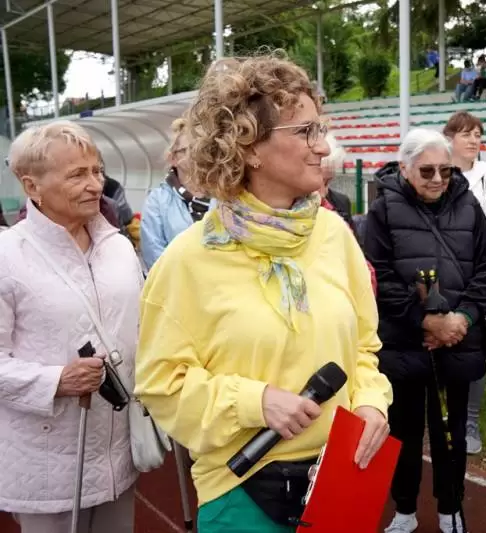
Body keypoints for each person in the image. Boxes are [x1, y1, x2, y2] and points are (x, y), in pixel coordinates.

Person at [134, 53, 392, 533]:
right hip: (241, 490)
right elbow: (161, 385)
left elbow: (363, 347)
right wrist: (255, 402)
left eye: (321, 129)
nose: (323, 146)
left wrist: (371, 402)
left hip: (339, 477)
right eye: (306, 132)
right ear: (249, 146)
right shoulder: (188, 259)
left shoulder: (335, 236)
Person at [0, 121, 142, 532]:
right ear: (32, 186)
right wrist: (55, 380)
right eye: (77, 174)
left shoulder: (118, 247)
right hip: (46, 464)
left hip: (119, 454)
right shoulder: (7, 255)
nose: (95, 185)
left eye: (97, 171)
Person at [365, 128, 486, 533]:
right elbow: (378, 275)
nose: (438, 179)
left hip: (457, 341)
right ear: (405, 168)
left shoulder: (468, 204)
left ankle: (451, 508)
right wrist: (425, 320)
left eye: (446, 170)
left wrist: (462, 320)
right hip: (404, 343)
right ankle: (404, 509)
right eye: (427, 171)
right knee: (402, 432)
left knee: (451, 433)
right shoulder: (382, 210)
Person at [443, 111, 486, 455]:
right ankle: (447, 409)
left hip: (481, 272)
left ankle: (470, 419)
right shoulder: (440, 173)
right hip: (445, 273)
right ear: (450, 138)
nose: (473, 140)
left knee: (474, 345)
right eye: (466, 134)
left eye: (478, 135)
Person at [140, 116, 212, 271]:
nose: (194, 155)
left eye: (199, 148)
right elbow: (154, 254)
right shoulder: (157, 201)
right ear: (173, 158)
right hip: (178, 281)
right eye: (186, 150)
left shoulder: (222, 194)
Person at [319, 133, 376, 294]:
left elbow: (358, 255)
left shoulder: (340, 202)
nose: (324, 191)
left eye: (328, 182)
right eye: (320, 180)